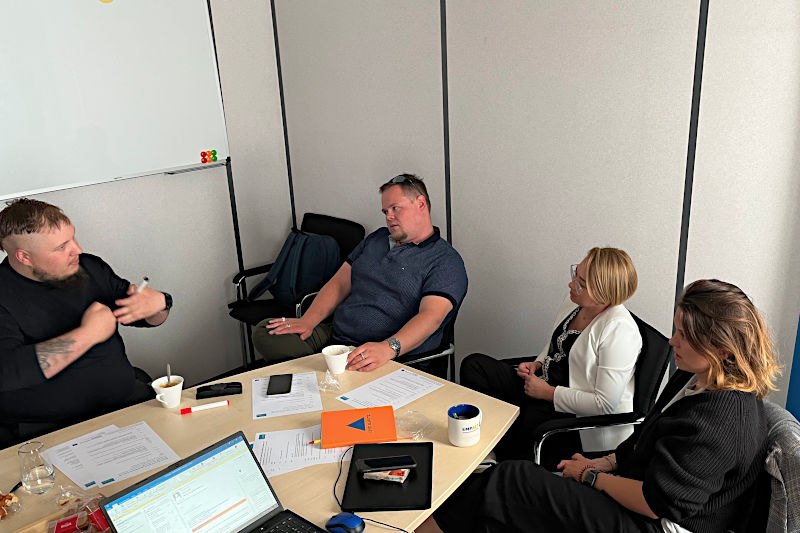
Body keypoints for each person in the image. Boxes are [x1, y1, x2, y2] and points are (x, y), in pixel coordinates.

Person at [418, 279, 780, 533]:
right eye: (677, 329)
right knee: (503, 488)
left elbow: (657, 505)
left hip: (653, 523)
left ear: (721, 351)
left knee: (512, 480)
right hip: (641, 489)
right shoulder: (695, 377)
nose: (673, 341)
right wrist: (602, 462)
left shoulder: (720, 422)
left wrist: (591, 476)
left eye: (685, 335)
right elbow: (648, 442)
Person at [252, 174, 467, 375]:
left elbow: (431, 317)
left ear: (420, 204)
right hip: (336, 337)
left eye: (395, 208)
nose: (389, 217)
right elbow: (339, 283)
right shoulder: (377, 239)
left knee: (314, 376)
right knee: (267, 332)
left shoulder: (445, 260)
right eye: (385, 212)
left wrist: (388, 348)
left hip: (387, 355)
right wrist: (308, 321)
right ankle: (329, 370)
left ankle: (324, 373)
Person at [0, 199, 172, 446]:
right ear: (24, 257)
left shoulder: (88, 267)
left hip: (124, 403)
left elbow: (143, 315)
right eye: (62, 247)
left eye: (73, 238)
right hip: (46, 431)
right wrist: (87, 335)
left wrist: (159, 304)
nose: (77, 250)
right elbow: (9, 372)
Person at [460, 247, 641, 466]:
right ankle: (489, 445)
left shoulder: (619, 331)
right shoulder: (576, 302)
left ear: (602, 294)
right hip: (541, 386)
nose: (571, 284)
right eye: (575, 273)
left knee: (525, 420)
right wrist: (537, 363)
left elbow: (604, 404)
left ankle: (498, 461)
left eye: (581, 283)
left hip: (575, 415)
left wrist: (548, 393)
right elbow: (557, 343)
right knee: (474, 366)